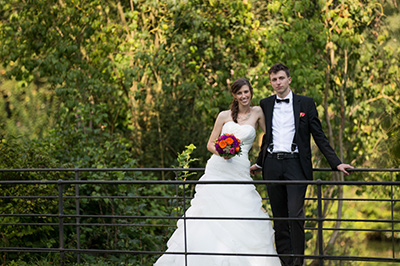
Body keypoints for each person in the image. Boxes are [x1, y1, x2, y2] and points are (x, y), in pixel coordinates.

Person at [154, 78, 281, 265]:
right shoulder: (224, 115)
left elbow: (270, 138)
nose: (244, 96)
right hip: (219, 168)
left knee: (242, 210)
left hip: (240, 171)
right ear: (234, 96)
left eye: (246, 92)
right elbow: (210, 144)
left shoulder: (258, 113)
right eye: (239, 93)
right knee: (210, 212)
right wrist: (222, 152)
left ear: (251, 92)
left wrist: (261, 163)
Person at [250, 63, 354, 266]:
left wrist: (336, 163)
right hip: (271, 164)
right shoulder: (265, 104)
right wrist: (260, 163)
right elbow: (266, 137)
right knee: (279, 219)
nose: (277, 82)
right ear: (270, 82)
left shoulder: (306, 103)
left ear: (289, 79)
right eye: (274, 79)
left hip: (296, 165)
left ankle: (298, 262)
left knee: (295, 215)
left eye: (281, 78)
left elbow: (319, 136)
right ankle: (284, 262)